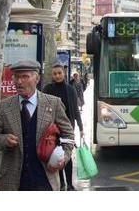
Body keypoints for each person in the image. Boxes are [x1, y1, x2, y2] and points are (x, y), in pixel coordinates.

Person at [0, 60, 74, 191]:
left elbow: (68, 135)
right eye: (16, 77)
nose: (19, 81)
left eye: (25, 77)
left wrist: (63, 158)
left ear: (37, 79)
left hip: (45, 181)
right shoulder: (3, 107)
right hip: (12, 183)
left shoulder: (53, 103)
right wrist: (4, 140)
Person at [43, 63, 84, 191]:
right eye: (55, 74)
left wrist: (81, 127)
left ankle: (70, 184)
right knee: (56, 156)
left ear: (64, 73)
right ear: (52, 75)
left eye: (59, 73)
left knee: (68, 157)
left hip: (67, 129)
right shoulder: (47, 89)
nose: (57, 76)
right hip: (53, 130)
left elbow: (75, 110)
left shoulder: (70, 89)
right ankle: (61, 184)